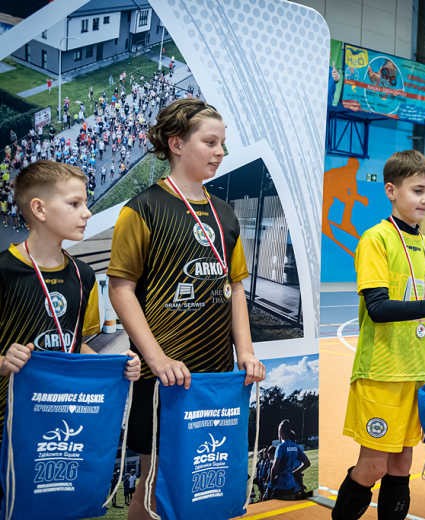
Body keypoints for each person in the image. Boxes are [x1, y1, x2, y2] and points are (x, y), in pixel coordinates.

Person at [106, 99, 266, 519]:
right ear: (176, 144)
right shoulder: (142, 208)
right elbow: (121, 290)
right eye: (210, 142)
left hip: (215, 376)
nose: (220, 152)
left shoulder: (225, 214)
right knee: (154, 478)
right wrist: (157, 359)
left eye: (222, 143)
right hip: (163, 376)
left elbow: (235, 288)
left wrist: (246, 352)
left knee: (206, 474)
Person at [331, 150, 425, 520]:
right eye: (417, 191)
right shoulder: (376, 240)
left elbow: (423, 318)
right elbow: (379, 309)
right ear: (391, 191)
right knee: (373, 467)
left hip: (415, 377)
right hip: (381, 374)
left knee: (402, 464)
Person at [0, 161, 141, 495]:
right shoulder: (5, 270)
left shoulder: (83, 276)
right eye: (75, 203)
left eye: (86, 203)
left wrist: (114, 365)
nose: (87, 213)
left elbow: (75, 346)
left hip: (57, 422)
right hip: (7, 422)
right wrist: (3, 362)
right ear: (39, 209)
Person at [269, 420, 311, 499]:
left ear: (280, 432)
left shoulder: (281, 447)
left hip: (280, 485)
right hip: (291, 484)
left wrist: (272, 482)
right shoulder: (295, 446)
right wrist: (294, 473)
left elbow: (274, 467)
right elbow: (307, 463)